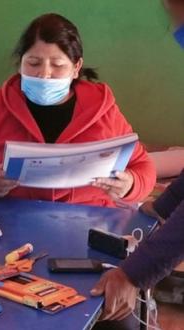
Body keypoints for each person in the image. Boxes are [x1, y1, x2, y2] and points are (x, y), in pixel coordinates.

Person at [0, 13, 155, 207]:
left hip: (87, 223)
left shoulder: (103, 110)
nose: (44, 74)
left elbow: (143, 167)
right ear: (20, 63)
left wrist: (130, 185)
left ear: (76, 67)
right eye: (33, 63)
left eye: (57, 65)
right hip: (8, 222)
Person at [91, 0, 184, 323]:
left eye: (176, 16)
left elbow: (141, 164)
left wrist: (132, 275)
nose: (175, 30)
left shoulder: (101, 104)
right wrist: (164, 205)